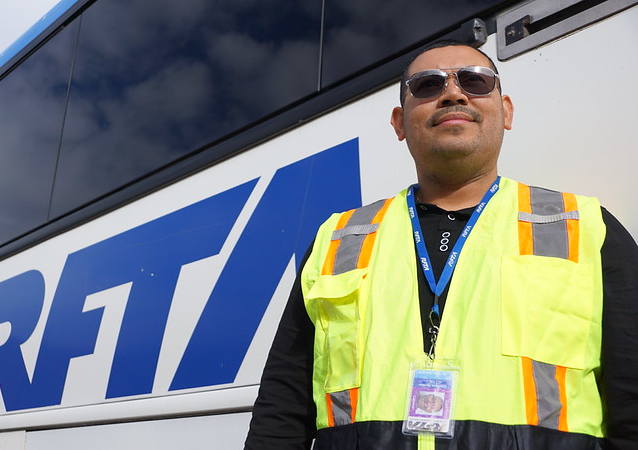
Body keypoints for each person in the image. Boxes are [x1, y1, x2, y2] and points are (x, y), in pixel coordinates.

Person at [244, 40, 638, 449]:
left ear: (506, 111)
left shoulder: (585, 226)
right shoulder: (339, 238)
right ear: (399, 123)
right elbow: (282, 406)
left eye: (474, 81)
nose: (453, 92)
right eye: (428, 86)